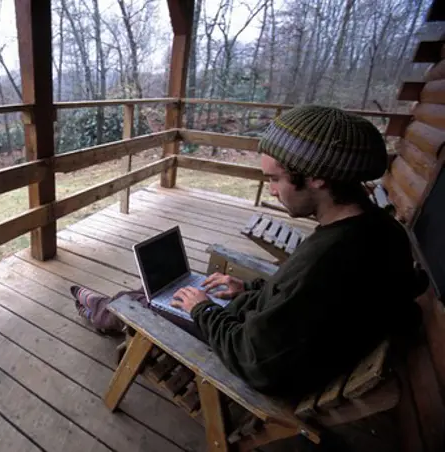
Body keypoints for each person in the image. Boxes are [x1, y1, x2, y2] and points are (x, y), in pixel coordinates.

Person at [71, 105, 424, 399]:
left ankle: (100, 310)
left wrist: (203, 310)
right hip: (275, 330)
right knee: (164, 292)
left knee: (140, 303)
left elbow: (255, 362)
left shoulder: (330, 260)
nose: (271, 191)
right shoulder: (379, 230)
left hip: (247, 353)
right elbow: (298, 298)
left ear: (317, 178)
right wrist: (249, 289)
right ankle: (111, 304)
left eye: (275, 179)